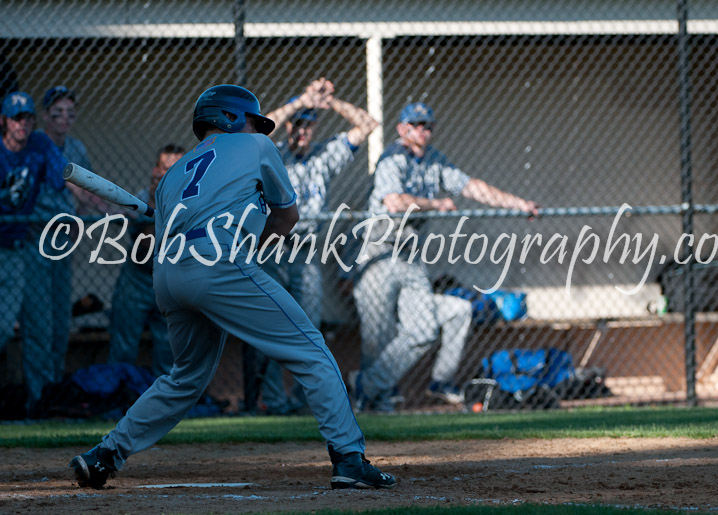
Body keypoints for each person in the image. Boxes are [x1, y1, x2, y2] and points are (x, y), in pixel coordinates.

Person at [69, 84, 395, 491]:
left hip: (168, 274)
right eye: (252, 121)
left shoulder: (173, 173)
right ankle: (349, 458)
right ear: (229, 118)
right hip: (218, 262)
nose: (257, 129)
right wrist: (248, 248)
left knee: (184, 377)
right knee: (312, 351)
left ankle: (105, 455)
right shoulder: (256, 146)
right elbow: (286, 216)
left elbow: (167, 230)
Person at [350, 101, 539, 412]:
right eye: (416, 125)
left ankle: (366, 386)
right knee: (377, 337)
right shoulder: (392, 158)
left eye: (427, 126)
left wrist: (518, 204)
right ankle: (373, 402)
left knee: (423, 329)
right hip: (379, 252)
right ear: (402, 129)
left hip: (410, 255)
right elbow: (395, 202)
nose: (423, 131)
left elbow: (471, 186)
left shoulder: (435, 161)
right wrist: (437, 204)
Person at [240, 77, 379, 415]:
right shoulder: (272, 152)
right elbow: (251, 135)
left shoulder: (324, 156)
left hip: (307, 250)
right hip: (271, 248)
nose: (302, 131)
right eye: (298, 125)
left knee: (308, 327)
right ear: (288, 125)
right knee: (273, 324)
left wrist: (328, 103)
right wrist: (302, 101)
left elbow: (369, 124)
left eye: (308, 127)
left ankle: (307, 402)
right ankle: (272, 401)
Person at [20, 86, 106, 403]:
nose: (64, 119)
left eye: (70, 113)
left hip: (63, 239)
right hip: (36, 235)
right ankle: (37, 397)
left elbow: (87, 189)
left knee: (59, 322)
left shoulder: (76, 148)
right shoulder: (35, 146)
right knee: (39, 323)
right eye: (57, 113)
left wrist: (79, 220)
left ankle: (54, 391)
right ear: (45, 116)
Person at [0, 91, 68, 414]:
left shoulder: (40, 145)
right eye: (16, 118)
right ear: (4, 122)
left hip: (14, 250)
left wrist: (107, 204)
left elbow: (65, 180)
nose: (22, 124)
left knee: (8, 325)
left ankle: (39, 401)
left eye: (27, 117)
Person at [106, 144, 186, 377]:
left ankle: (165, 406)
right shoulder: (141, 197)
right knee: (123, 344)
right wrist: (153, 199)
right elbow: (143, 240)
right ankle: (118, 398)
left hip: (170, 280)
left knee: (168, 348)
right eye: (164, 168)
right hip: (138, 276)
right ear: (155, 171)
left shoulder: (189, 202)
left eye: (176, 169)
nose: (168, 174)